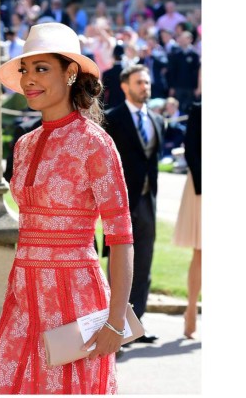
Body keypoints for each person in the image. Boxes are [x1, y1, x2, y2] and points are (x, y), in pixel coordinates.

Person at [0, 22, 134, 394]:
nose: (29, 79)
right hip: (24, 290)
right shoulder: (24, 144)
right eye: (25, 70)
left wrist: (114, 323)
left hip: (75, 296)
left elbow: (122, 236)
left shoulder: (95, 144)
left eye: (41, 68)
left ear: (71, 72)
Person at [103, 64, 164, 345]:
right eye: (139, 82)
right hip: (120, 204)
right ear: (125, 86)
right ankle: (113, 326)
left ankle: (136, 324)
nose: (145, 87)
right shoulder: (111, 119)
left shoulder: (156, 120)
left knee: (144, 266)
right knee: (119, 266)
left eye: (147, 83)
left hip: (148, 203)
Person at [172, 101, 201, 339]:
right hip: (202, 187)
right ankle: (191, 309)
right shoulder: (200, 109)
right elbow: (191, 149)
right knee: (201, 252)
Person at [167, 30, 200, 114]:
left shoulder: (195, 55)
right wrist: (172, 86)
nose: (182, 40)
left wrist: (198, 87)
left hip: (191, 87)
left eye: (185, 38)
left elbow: (198, 72)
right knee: (179, 106)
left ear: (190, 39)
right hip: (178, 86)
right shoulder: (176, 54)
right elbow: (172, 72)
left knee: (190, 107)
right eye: (181, 38)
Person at [102, 44, 126, 110]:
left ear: (113, 56)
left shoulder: (107, 73)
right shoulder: (128, 73)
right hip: (125, 106)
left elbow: (103, 92)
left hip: (111, 106)